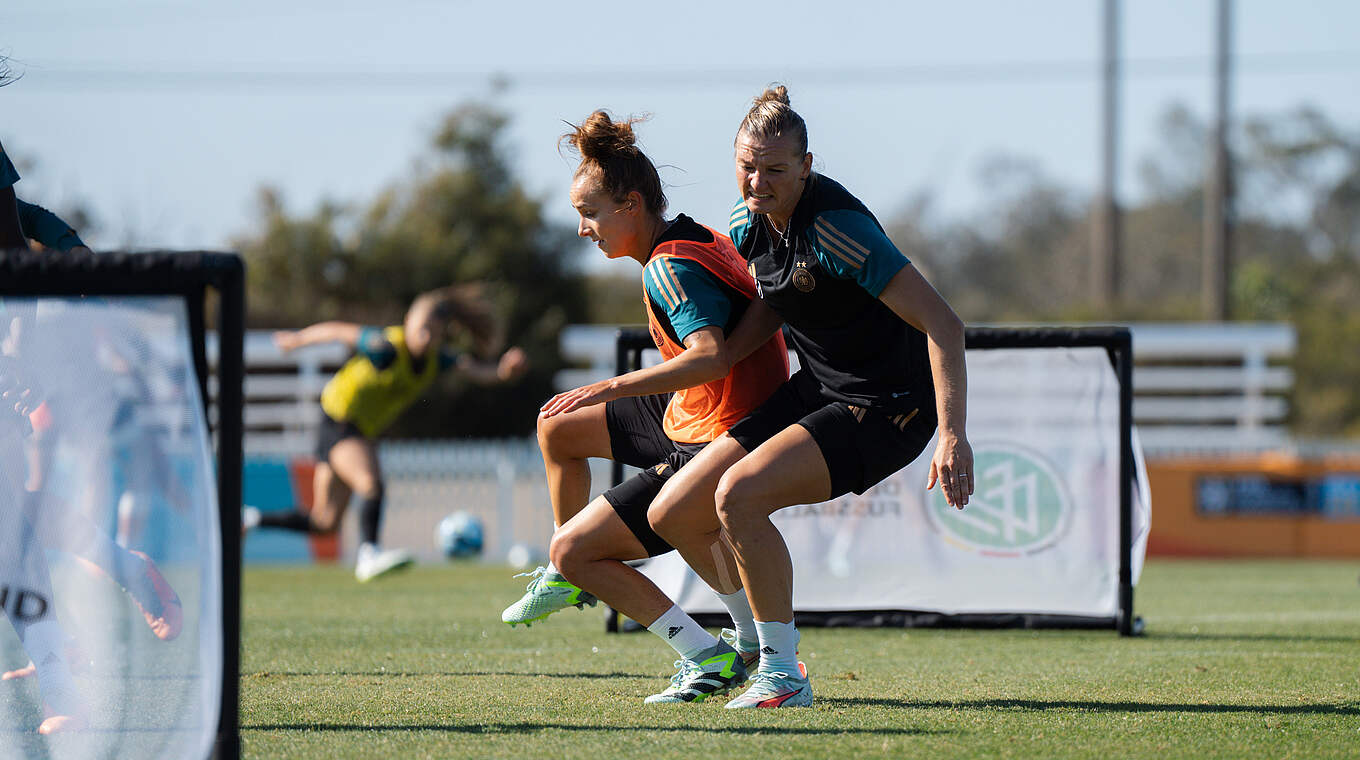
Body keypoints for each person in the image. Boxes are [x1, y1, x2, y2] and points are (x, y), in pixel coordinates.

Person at [647, 86, 975, 709]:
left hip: (887, 405)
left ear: (806, 165)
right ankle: (746, 647)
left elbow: (945, 325)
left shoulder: (837, 228)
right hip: (819, 388)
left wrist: (954, 435)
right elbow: (775, 304)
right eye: (747, 164)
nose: (758, 180)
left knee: (738, 498)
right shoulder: (747, 225)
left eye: (775, 169)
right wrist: (714, 362)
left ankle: (783, 671)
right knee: (674, 512)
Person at [500, 110, 790, 704]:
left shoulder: (669, 264)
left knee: (579, 549)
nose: (584, 229)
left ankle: (709, 655)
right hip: (703, 409)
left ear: (631, 205)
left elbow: (707, 357)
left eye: (590, 213)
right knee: (557, 427)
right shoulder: (697, 233)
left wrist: (608, 387)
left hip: (720, 427)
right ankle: (568, 577)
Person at [245, 287, 527, 582]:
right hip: (339, 421)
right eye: (422, 328)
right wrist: (296, 340)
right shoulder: (386, 348)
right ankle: (369, 554)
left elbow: (473, 369)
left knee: (324, 522)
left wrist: (502, 373)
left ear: (444, 333)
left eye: (434, 331)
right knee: (371, 482)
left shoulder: (435, 360)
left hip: (352, 428)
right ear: (408, 321)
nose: (427, 336)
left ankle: (250, 519)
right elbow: (338, 330)